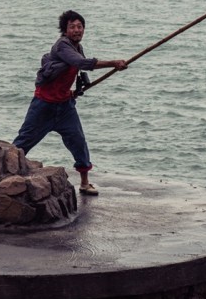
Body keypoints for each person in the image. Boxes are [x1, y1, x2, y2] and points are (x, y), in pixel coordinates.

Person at [12, 10, 127, 196]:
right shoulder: (62, 46)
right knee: (23, 141)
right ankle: (3, 171)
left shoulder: (77, 46)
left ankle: (84, 183)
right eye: (72, 27)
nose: (76, 30)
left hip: (65, 106)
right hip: (44, 105)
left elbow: (72, 71)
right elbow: (80, 63)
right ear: (65, 30)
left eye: (80, 26)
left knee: (78, 142)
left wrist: (72, 91)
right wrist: (113, 63)